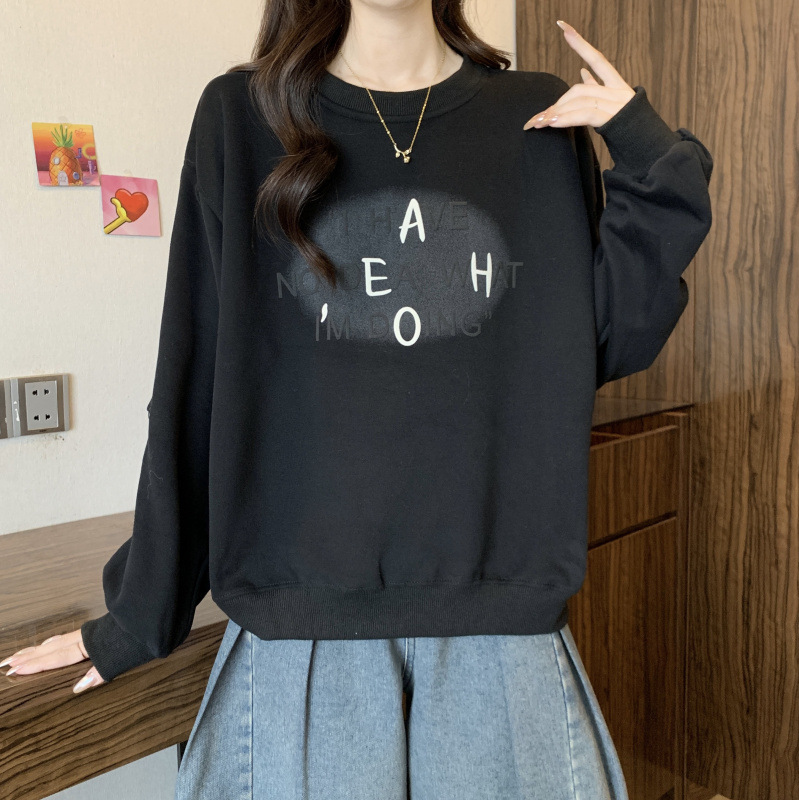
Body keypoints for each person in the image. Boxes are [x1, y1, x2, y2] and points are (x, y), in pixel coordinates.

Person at [1, 1, 713, 798]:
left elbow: (598, 343)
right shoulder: (242, 116)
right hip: (301, 640)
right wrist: (139, 613)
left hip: (501, 636)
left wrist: (647, 151)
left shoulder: (538, 116)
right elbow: (194, 382)